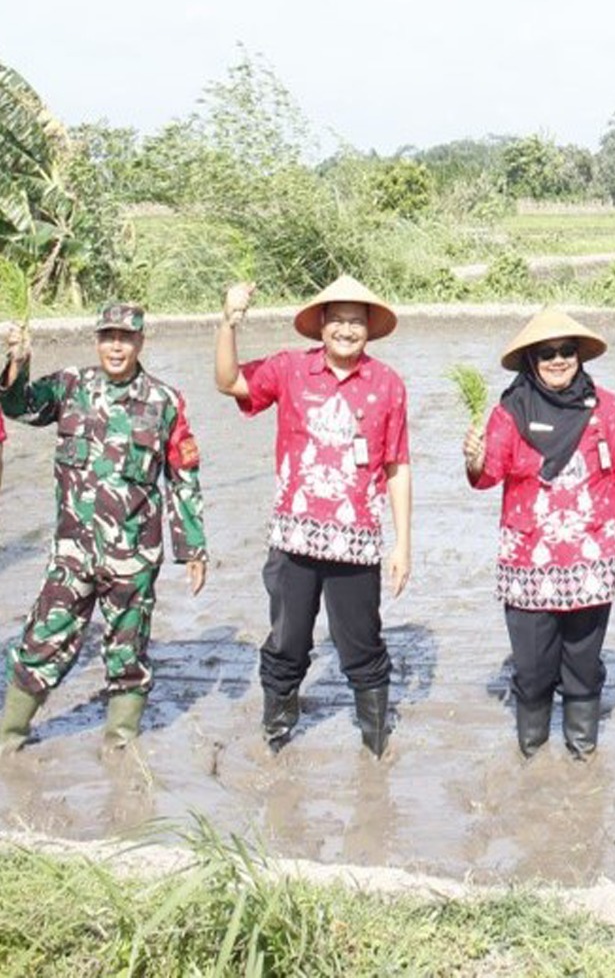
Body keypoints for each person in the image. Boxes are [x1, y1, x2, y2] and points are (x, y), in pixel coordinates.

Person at [214, 275, 412, 758]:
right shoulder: (289, 369)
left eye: (356, 322)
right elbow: (229, 382)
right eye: (338, 321)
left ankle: (376, 750)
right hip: (293, 541)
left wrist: (403, 543)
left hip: (356, 542)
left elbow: (397, 465)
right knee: (287, 644)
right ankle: (277, 737)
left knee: (362, 646)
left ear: (369, 329)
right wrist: (228, 322)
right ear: (321, 326)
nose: (346, 330)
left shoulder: (386, 383)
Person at [0, 304, 207, 753]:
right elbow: (18, 406)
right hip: (72, 555)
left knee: (127, 654)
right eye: (109, 336)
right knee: (41, 641)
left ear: (140, 343)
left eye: (126, 337)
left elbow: (183, 476)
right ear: (97, 340)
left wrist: (193, 548)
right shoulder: (71, 386)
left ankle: (120, 748)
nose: (117, 346)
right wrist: (18, 362)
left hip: (132, 560)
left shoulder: (164, 401)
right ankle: (8, 741)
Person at [463, 308, 615, 758]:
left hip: (591, 558)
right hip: (528, 560)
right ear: (531, 360)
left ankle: (582, 757)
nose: (559, 360)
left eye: (567, 351)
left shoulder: (606, 407)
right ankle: (533, 755)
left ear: (580, 356)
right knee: (532, 668)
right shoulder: (508, 411)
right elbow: (489, 476)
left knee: (582, 666)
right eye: (548, 354)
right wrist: (474, 458)